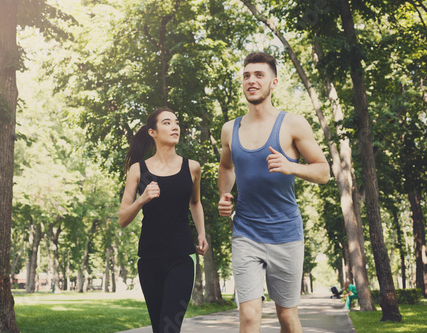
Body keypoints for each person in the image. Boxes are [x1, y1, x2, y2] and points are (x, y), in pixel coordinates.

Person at [218, 52, 330, 333]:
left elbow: (323, 171)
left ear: (274, 83)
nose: (251, 81)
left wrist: (292, 168)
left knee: (287, 317)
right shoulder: (230, 129)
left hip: (286, 234)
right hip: (246, 233)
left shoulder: (292, 124)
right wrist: (224, 196)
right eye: (246, 75)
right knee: (249, 316)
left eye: (259, 75)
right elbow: (226, 166)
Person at [119, 107, 209, 333]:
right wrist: (142, 199)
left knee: (170, 328)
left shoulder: (192, 167)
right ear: (153, 132)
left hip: (182, 257)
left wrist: (201, 233)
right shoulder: (138, 170)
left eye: (176, 122)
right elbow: (122, 218)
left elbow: (195, 202)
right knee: (160, 329)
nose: (175, 126)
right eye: (167, 123)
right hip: (149, 258)